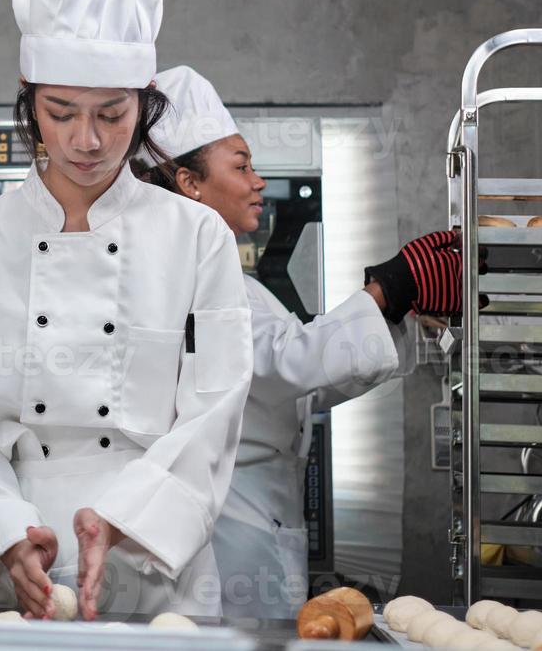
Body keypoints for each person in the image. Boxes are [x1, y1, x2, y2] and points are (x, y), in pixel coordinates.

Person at [0, 0, 253, 621]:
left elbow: (216, 406)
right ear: (28, 93)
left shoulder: (196, 237)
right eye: (61, 110)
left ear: (144, 98)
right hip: (19, 554)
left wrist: (130, 520)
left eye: (112, 112)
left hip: (158, 553)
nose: (86, 139)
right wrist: (2, 535)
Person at [139, 65, 462, 617]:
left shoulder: (235, 284)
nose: (258, 181)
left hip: (263, 523)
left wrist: (394, 308)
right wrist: (386, 290)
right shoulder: (182, 281)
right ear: (189, 182)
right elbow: (288, 363)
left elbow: (299, 388)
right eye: (241, 166)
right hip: (228, 536)